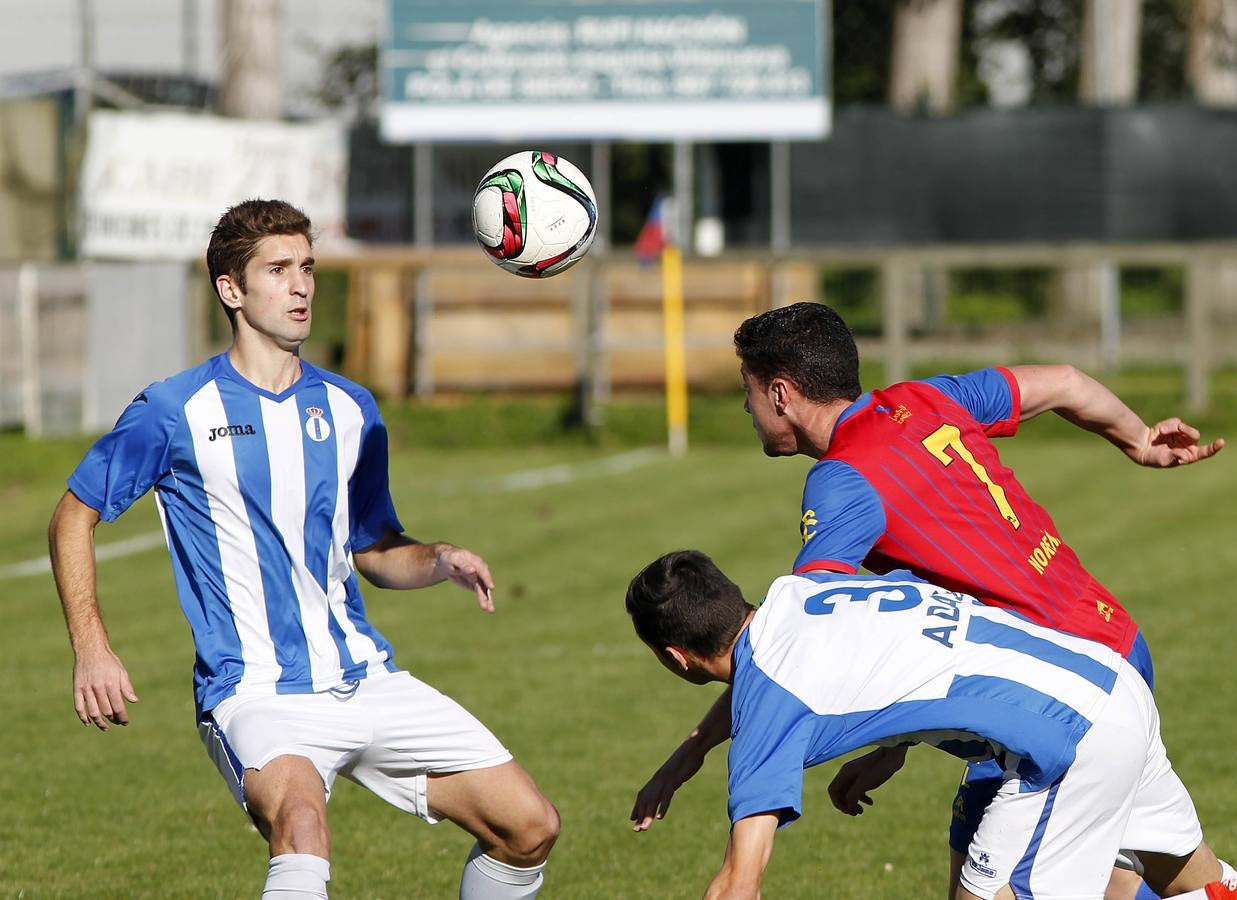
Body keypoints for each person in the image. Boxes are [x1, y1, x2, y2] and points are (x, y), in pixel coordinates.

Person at [49, 199, 558, 900]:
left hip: (366, 676)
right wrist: (92, 646)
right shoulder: (175, 411)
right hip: (255, 691)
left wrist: (438, 558)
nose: (301, 286)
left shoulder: (350, 408)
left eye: (308, 268)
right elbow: (74, 515)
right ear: (231, 290)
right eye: (278, 270)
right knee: (301, 825)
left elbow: (374, 548)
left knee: (529, 826)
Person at [631, 301, 1227, 900]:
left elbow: (795, 641)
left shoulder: (841, 483)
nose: (746, 408)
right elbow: (1066, 383)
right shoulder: (922, 400)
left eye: (749, 392)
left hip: (1042, 680)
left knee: (1056, 877)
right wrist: (1139, 440)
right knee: (1059, 859)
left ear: (782, 394)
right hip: (1111, 639)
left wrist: (694, 752)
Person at [626, 549, 1235, 900]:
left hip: (1067, 740)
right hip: (1109, 678)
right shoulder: (803, 594)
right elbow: (909, 647)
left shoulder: (768, 708)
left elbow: (741, 880)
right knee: (1190, 880)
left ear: (675, 658)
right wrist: (688, 757)